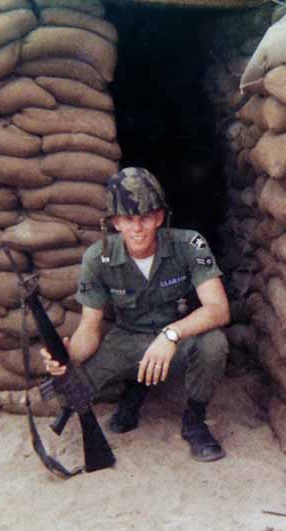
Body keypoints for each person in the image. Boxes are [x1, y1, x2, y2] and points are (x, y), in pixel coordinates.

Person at [42, 167, 230, 462]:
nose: (138, 228)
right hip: (127, 340)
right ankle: (135, 389)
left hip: (174, 339)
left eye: (145, 217)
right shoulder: (97, 257)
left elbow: (218, 309)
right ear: (116, 222)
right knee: (70, 392)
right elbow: (90, 328)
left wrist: (171, 335)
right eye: (128, 219)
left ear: (159, 217)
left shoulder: (189, 244)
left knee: (214, 344)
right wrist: (67, 358)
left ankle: (194, 420)